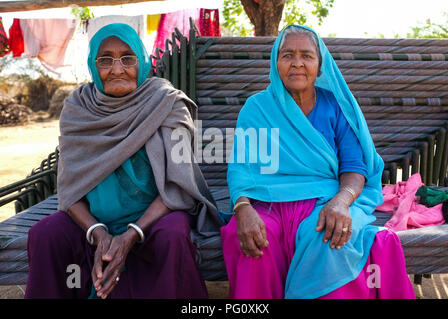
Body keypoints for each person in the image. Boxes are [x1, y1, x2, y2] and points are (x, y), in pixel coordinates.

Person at [25, 23, 223, 299]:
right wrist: (99, 233)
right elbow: (70, 190)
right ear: (93, 65)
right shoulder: (77, 109)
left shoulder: (167, 103)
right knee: (45, 235)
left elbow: (179, 185)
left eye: (127, 58)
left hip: (154, 218)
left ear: (142, 62)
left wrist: (131, 234)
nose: (117, 69)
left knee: (173, 235)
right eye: (105, 59)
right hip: (92, 221)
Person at [221, 25, 416, 299]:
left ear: (320, 63)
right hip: (266, 203)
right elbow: (240, 167)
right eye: (287, 55)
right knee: (255, 245)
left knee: (330, 241)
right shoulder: (257, 108)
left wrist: (340, 202)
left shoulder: (335, 107)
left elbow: (354, 168)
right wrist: (242, 208)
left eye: (307, 56)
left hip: (322, 202)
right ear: (276, 61)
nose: (297, 63)